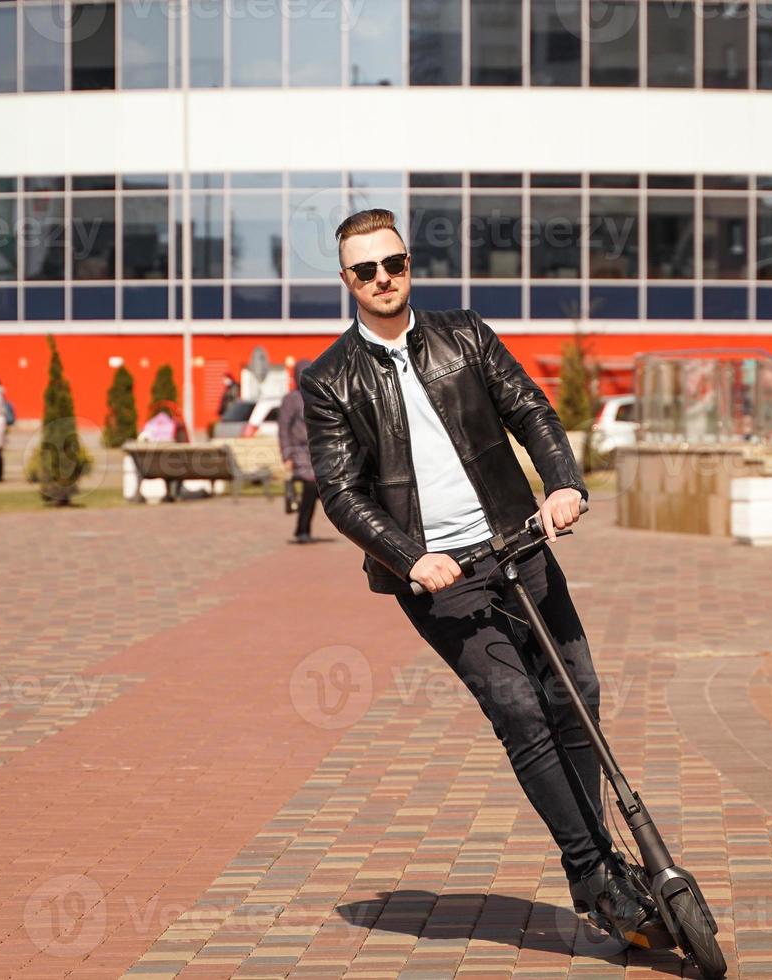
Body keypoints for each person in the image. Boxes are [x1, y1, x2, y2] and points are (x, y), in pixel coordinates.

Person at [300, 209, 656, 947]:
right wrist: (408, 557)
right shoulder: (331, 378)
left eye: (392, 263)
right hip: (439, 577)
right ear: (346, 282)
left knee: (575, 693)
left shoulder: (464, 334)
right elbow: (339, 490)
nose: (382, 279)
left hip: (517, 541)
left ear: (408, 265)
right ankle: (593, 872)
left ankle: (605, 871)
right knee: (521, 712)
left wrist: (562, 482)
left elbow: (528, 408)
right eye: (365, 270)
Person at [278, 358, 319, 543]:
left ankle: (303, 529)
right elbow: (284, 428)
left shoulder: (316, 396)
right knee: (311, 487)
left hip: (318, 452)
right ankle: (302, 530)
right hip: (299, 452)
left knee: (315, 490)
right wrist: (287, 454)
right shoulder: (291, 399)